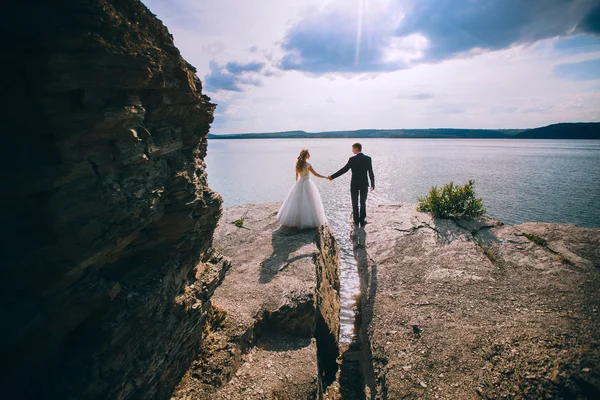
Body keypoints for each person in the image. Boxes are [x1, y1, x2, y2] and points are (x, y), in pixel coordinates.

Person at [277, 148, 328, 229]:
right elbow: (316, 174)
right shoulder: (308, 165)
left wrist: (297, 184)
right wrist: (325, 177)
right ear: (305, 156)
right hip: (307, 183)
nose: (309, 155)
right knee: (309, 201)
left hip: (300, 182)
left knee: (297, 201)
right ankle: (307, 220)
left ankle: (296, 219)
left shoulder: (298, 164)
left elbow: (296, 176)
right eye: (308, 154)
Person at [328, 142, 375, 227]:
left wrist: (332, 177)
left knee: (355, 202)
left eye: (353, 149)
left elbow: (344, 170)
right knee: (363, 202)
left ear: (356, 148)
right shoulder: (368, 158)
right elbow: (370, 172)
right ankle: (362, 220)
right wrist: (372, 183)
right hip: (364, 183)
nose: (352, 150)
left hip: (354, 184)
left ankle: (356, 221)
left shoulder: (352, 159)